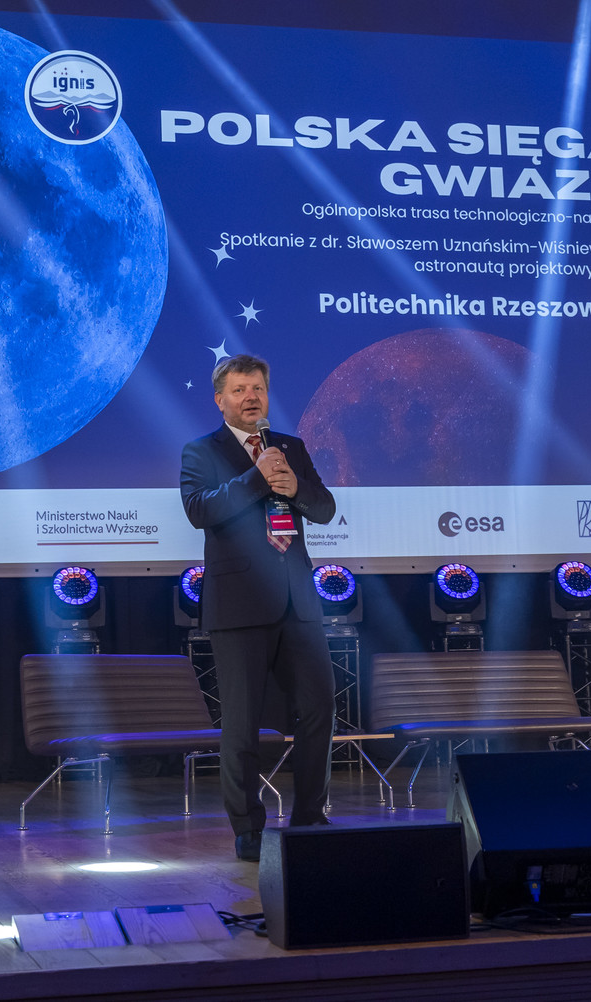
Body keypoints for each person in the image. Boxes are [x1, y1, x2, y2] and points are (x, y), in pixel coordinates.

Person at [179, 354, 337, 862]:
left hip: (297, 601)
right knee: (242, 723)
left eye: (258, 389)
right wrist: (257, 478)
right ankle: (248, 828)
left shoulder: (291, 447)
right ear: (220, 399)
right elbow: (200, 510)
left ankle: (310, 817)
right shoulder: (201, 451)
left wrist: (297, 489)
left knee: (319, 707)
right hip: (239, 605)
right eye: (240, 389)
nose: (251, 397)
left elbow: (325, 508)